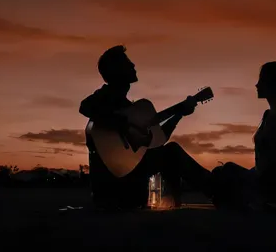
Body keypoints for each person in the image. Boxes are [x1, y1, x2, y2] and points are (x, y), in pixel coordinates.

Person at [79, 45, 212, 210]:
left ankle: (177, 200)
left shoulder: (130, 108)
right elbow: (84, 106)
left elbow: (158, 140)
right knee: (172, 152)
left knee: (170, 152)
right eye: (128, 64)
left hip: (126, 185)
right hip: (113, 188)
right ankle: (220, 190)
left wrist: (179, 114)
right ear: (117, 70)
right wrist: (118, 121)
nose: (134, 65)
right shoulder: (105, 97)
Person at [212, 58, 276, 210]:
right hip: (263, 184)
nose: (257, 85)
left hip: (269, 191)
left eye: (261, 80)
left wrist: (244, 180)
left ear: (272, 84)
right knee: (225, 170)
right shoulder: (269, 115)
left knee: (224, 173)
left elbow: (271, 169)